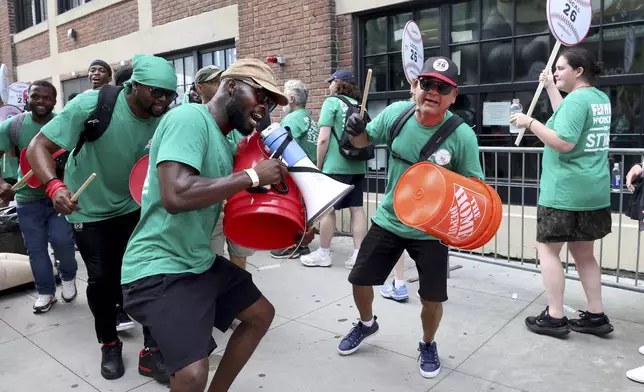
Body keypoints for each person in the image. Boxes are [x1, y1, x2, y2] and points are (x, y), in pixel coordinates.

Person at [119, 58, 298, 392]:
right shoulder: (188, 118)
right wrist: (252, 175)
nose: (264, 108)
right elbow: (176, 193)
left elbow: (231, 197)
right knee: (191, 374)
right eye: (260, 96)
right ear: (231, 86)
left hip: (196, 260)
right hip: (157, 267)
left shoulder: (226, 140)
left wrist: (292, 214)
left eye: (270, 103)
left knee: (261, 315)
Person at [26, 54, 176, 382]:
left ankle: (152, 349)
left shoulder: (164, 117)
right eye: (157, 93)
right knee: (103, 281)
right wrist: (54, 186)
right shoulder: (91, 106)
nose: (163, 101)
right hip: (89, 210)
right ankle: (109, 343)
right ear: (133, 87)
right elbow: (37, 146)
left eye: (170, 94)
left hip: (134, 206)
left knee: (148, 275)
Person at [335, 57, 484, 379]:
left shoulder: (461, 135)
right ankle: (366, 323)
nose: (433, 92)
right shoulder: (396, 115)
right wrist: (355, 129)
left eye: (442, 87)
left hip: (431, 230)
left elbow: (475, 186)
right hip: (391, 217)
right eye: (427, 84)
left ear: (453, 95)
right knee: (358, 279)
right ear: (416, 86)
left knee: (431, 298)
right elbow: (363, 142)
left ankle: (428, 343)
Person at [510, 46, 614, 338]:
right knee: (585, 255)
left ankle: (555, 316)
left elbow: (564, 141)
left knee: (548, 250)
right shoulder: (597, 98)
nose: (555, 72)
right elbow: (568, 118)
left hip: (565, 191)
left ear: (578, 71)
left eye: (561, 68)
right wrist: (549, 88)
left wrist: (530, 123)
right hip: (593, 191)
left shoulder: (578, 101)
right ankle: (596, 315)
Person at [0, 80, 78, 313]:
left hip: (59, 197)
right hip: (26, 198)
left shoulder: (62, 124)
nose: (41, 101)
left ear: (55, 101)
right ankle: (45, 292)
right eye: (36, 96)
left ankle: (68, 277)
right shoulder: (13, 126)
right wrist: (2, 182)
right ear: (27, 98)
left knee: (63, 242)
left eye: (46, 97)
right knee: (35, 249)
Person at [300, 70, 368, 269]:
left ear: (338, 84)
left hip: (335, 165)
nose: (328, 86)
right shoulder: (358, 104)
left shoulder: (331, 102)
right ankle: (358, 255)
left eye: (331, 82)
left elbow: (323, 139)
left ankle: (324, 254)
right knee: (357, 209)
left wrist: (319, 166)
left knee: (328, 210)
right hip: (358, 164)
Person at [270, 79, 319, 259]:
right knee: (303, 210)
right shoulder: (309, 118)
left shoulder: (291, 119)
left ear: (291, 98)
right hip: (309, 171)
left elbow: (282, 145)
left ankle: (290, 245)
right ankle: (302, 244)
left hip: (295, 173)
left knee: (291, 209)